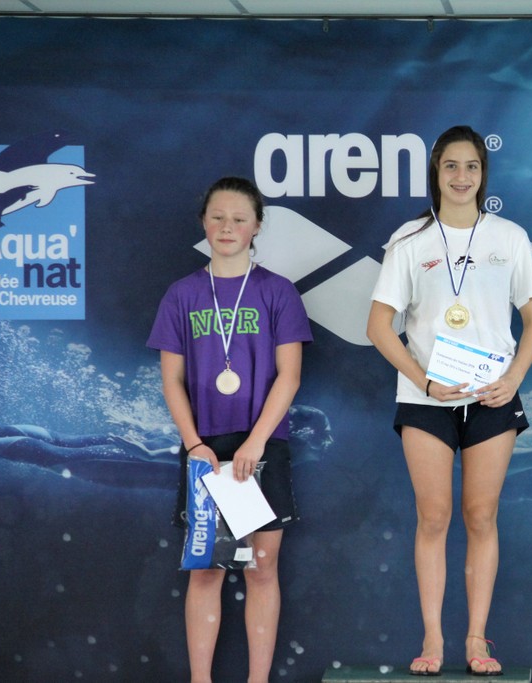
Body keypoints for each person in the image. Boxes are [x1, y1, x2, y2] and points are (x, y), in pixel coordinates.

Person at [366, 125, 532, 677]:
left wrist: (514, 378)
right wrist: (423, 381)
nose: (461, 176)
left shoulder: (509, 238)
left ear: (483, 174)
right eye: (451, 166)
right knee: (434, 515)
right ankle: (432, 638)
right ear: (436, 173)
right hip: (426, 399)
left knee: (481, 515)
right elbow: (378, 326)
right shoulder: (408, 240)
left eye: (471, 166)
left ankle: (475, 639)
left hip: (492, 396)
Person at [147, 176, 313, 683]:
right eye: (218, 217)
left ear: (256, 226)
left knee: (262, 567)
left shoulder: (277, 292)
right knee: (206, 569)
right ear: (203, 222)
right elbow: (171, 379)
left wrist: (257, 442)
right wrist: (194, 443)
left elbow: (290, 375)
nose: (227, 227)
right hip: (205, 448)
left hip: (263, 443)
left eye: (239, 219)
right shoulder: (182, 294)